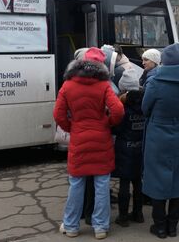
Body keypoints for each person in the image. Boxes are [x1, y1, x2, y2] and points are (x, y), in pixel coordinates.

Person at [54, 47, 125, 239]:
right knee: (102, 184)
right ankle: (100, 227)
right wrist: (107, 123)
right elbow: (118, 110)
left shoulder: (68, 85)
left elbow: (58, 114)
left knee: (76, 183)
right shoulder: (104, 86)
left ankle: (71, 226)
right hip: (101, 138)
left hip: (79, 138)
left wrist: (71, 127)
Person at [142, 43, 179, 238]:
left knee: (157, 179)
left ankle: (160, 226)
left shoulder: (155, 81)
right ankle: (172, 226)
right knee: (177, 178)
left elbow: (145, 108)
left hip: (157, 133)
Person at [113, 69, 145, 227]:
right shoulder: (145, 104)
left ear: (123, 89)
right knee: (138, 182)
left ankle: (123, 216)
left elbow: (116, 128)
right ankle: (138, 213)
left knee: (124, 183)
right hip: (141, 148)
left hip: (125, 148)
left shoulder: (122, 107)